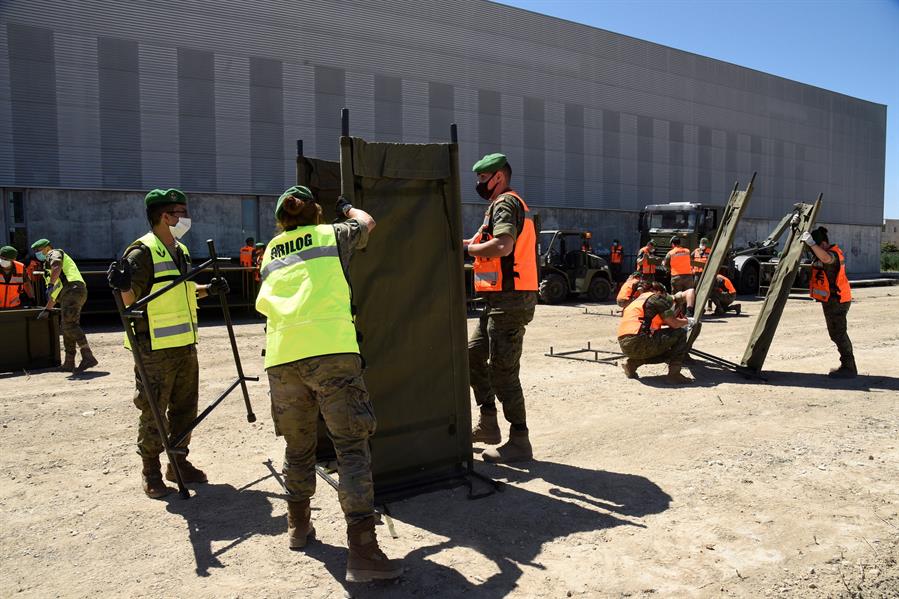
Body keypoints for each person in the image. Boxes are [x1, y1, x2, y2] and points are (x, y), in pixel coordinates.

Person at [255, 185, 402, 582]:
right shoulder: (331, 233)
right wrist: (348, 208)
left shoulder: (270, 250)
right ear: (315, 213)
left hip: (282, 356)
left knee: (297, 446)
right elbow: (368, 223)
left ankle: (298, 527)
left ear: (281, 220)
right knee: (351, 447)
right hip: (331, 352)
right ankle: (363, 551)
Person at [106, 188, 229, 499]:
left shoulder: (181, 250)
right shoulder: (142, 253)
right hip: (153, 348)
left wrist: (208, 289)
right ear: (164, 216)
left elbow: (181, 289)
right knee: (153, 411)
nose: (185, 218)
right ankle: (151, 470)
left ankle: (178, 463)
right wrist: (122, 287)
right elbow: (132, 302)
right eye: (180, 213)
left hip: (185, 343)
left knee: (185, 409)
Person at [464, 153, 538, 464]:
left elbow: (502, 246)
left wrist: (466, 249)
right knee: (474, 353)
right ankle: (489, 423)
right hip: (497, 300)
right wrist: (463, 243)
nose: (479, 184)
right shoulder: (497, 206)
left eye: (483, 178)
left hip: (511, 299)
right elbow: (485, 242)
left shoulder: (506, 203)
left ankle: (520, 439)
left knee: (503, 370)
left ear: (499, 177)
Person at [30, 238, 97, 373]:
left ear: (47, 248)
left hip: (72, 289)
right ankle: (69, 362)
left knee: (69, 325)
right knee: (67, 326)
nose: (38, 254)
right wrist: (47, 309)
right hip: (70, 292)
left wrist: (50, 284)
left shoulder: (53, 253)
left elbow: (57, 266)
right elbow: (54, 293)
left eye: (39, 250)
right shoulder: (47, 269)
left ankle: (87, 355)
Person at [801, 226, 856, 378]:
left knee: (839, 334)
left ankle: (849, 367)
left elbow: (826, 259)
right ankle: (848, 365)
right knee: (836, 334)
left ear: (823, 244)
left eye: (816, 246)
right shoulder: (822, 253)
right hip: (832, 300)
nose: (813, 251)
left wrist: (812, 244)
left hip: (838, 300)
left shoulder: (832, 254)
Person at [617, 281, 694, 384]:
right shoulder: (656, 299)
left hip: (625, 345)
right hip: (640, 342)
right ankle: (674, 375)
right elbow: (674, 324)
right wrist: (688, 321)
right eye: (664, 294)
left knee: (661, 346)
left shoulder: (636, 302)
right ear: (657, 292)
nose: (665, 299)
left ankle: (632, 364)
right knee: (680, 333)